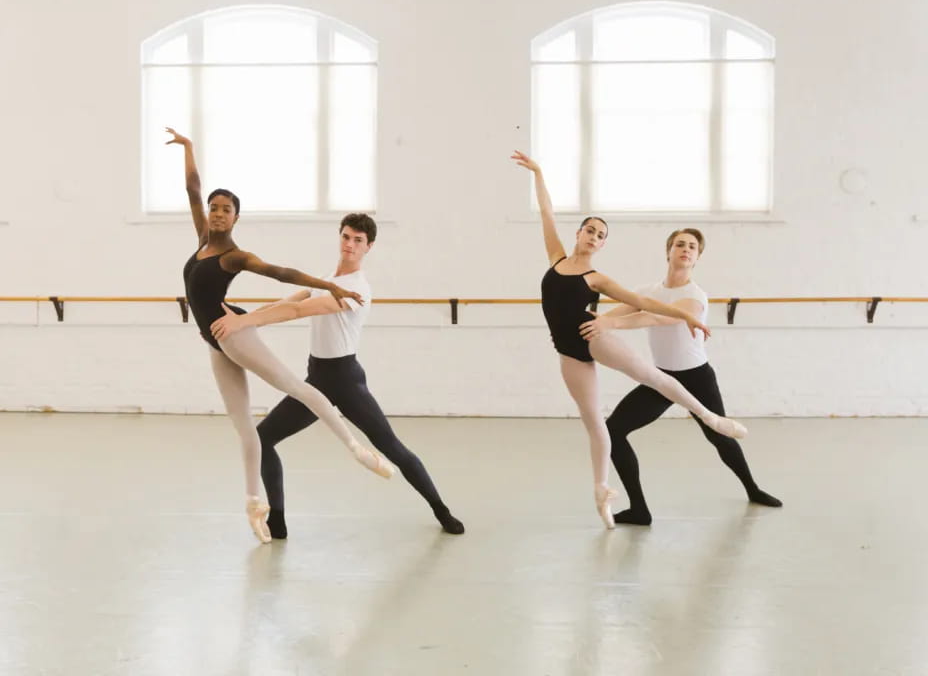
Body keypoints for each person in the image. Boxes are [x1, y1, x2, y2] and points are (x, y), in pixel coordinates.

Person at [167, 128, 394, 544]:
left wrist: (331, 287)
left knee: (293, 386)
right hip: (214, 340)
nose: (217, 213)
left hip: (233, 331)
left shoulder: (235, 256)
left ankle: (356, 448)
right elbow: (192, 188)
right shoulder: (202, 241)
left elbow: (282, 273)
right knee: (243, 426)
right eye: (215, 208)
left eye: (226, 210)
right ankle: (255, 502)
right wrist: (189, 148)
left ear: (236, 217)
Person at [511, 150, 747, 530]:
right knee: (594, 423)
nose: (594, 237)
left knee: (651, 376)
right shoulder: (555, 257)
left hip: (592, 340)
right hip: (568, 355)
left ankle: (710, 418)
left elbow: (642, 303)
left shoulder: (597, 278)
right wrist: (538, 173)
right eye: (590, 230)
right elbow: (546, 213)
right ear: (579, 233)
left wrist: (685, 314)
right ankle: (602, 490)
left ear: (602, 245)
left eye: (601, 235)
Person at [210, 213, 465, 537]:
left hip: (346, 382)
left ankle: (441, 510)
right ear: (340, 237)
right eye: (346, 237)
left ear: (368, 247)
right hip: (317, 378)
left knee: (392, 447)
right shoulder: (327, 279)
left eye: (358, 240)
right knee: (263, 438)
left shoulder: (356, 289)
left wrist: (245, 323)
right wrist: (244, 316)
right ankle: (278, 519)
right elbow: (289, 300)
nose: (350, 244)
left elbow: (298, 311)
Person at [579, 228, 782, 525]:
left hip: (697, 378)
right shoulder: (648, 291)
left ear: (697, 257)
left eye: (692, 247)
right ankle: (639, 510)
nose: (685, 249)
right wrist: (591, 320)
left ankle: (753, 489)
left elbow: (659, 316)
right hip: (660, 379)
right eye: (679, 245)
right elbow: (618, 312)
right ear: (669, 251)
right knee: (614, 431)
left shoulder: (695, 296)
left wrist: (611, 326)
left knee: (720, 437)